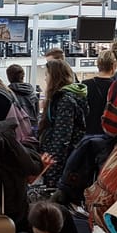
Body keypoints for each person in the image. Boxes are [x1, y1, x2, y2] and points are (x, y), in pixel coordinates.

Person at [38, 59, 87, 188]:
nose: (45, 79)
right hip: (64, 160)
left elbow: (62, 138)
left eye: (47, 75)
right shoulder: (66, 98)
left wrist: (52, 169)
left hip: (60, 164)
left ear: (54, 77)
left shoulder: (64, 101)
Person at [82, 50, 117, 135]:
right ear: (114, 66)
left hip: (88, 133)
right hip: (109, 133)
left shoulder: (85, 85)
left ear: (98, 65)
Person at [6, 63, 39, 132]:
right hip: (32, 129)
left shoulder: (7, 93)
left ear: (8, 77)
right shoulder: (32, 92)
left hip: (16, 130)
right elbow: (37, 113)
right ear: (23, 76)